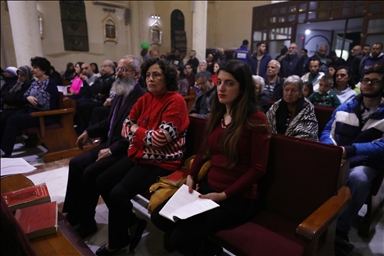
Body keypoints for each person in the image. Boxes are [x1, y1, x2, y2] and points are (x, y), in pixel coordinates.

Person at [151, 60, 271, 256]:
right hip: (208, 189)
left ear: (243, 87)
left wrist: (223, 195)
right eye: (219, 82)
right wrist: (192, 175)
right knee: (159, 217)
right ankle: (207, 247)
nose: (221, 88)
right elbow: (204, 150)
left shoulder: (255, 119)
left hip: (237, 198)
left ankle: (206, 250)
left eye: (229, 83)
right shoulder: (219, 112)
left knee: (179, 239)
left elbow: (258, 168)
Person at [94, 58, 189, 255]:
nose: (151, 79)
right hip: (140, 155)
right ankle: (131, 222)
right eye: (148, 75)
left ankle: (118, 241)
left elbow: (161, 139)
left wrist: (136, 131)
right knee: (102, 180)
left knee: (118, 193)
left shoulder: (175, 101)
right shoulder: (145, 98)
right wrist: (140, 132)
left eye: (156, 75)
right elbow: (125, 127)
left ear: (167, 78)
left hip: (163, 162)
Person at [62, 55, 146, 239]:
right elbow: (110, 122)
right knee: (76, 163)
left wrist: (112, 149)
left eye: (123, 70)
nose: (118, 74)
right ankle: (73, 214)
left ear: (136, 73)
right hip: (110, 143)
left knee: (90, 172)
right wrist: (88, 132)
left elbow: (135, 133)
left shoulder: (141, 97)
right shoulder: (120, 92)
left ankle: (87, 222)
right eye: (118, 69)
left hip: (123, 149)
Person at [320, 65, 384, 255]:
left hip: (365, 163)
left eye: (375, 81)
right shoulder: (345, 107)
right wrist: (333, 150)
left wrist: (350, 150)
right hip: (338, 157)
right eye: (366, 80)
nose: (369, 84)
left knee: (358, 178)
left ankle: (340, 229)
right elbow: (326, 131)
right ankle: (316, 221)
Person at [1, 57, 58, 157]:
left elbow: (40, 102)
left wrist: (28, 97)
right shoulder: (36, 82)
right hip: (33, 112)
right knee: (7, 116)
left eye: (35, 67)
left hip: (44, 116)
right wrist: (28, 97)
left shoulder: (50, 83)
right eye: (32, 67)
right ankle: (3, 149)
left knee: (13, 120)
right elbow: (25, 95)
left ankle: (6, 153)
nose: (32, 69)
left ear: (43, 69)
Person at [266, 75, 319, 141]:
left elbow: (307, 135)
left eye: (293, 90)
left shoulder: (307, 108)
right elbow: (267, 125)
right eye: (286, 90)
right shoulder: (276, 106)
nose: (289, 93)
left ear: (300, 93)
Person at [75, 60, 115, 134]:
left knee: (84, 105)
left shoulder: (113, 78)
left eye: (105, 66)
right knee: (79, 103)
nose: (102, 68)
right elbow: (93, 89)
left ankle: (89, 130)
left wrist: (100, 90)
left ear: (111, 67)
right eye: (102, 66)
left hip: (102, 101)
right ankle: (82, 126)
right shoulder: (101, 77)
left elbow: (102, 89)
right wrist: (99, 89)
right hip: (95, 98)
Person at [1, 65, 33, 139]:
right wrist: (6, 101)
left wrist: (5, 100)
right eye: (18, 74)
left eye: (22, 75)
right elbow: (9, 95)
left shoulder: (29, 84)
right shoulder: (18, 84)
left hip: (21, 109)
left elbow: (19, 98)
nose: (19, 77)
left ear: (28, 75)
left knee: (4, 117)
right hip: (13, 107)